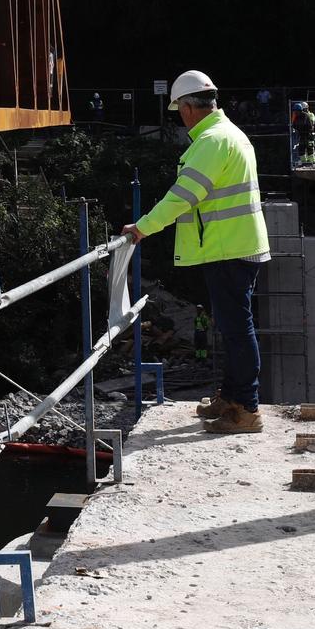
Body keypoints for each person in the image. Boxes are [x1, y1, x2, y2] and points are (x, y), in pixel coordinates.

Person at [124, 69, 270, 434]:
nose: (181, 116)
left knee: (238, 331)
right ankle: (234, 399)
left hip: (228, 249)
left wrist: (142, 227)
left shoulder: (211, 142)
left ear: (188, 108)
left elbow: (182, 197)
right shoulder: (228, 135)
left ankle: (247, 409)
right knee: (234, 328)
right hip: (234, 245)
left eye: (179, 110)